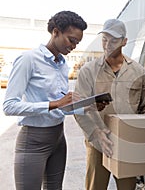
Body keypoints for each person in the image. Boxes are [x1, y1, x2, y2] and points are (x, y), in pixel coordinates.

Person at [3, 11, 87, 190]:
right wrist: (53, 104)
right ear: (55, 32)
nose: (73, 46)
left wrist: (88, 106)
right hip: (33, 141)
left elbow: (62, 107)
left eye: (77, 43)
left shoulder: (62, 64)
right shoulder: (29, 60)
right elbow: (9, 106)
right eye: (71, 40)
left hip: (58, 138)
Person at [74, 19, 145, 190]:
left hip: (127, 142)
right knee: (95, 186)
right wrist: (96, 134)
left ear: (125, 41)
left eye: (114, 40)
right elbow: (78, 108)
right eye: (105, 39)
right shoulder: (88, 71)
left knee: (127, 187)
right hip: (98, 142)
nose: (108, 44)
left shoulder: (138, 71)